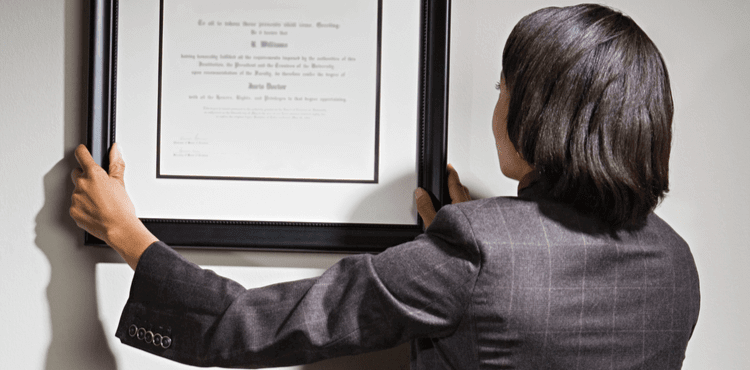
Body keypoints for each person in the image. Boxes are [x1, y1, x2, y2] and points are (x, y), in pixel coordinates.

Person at [70, 4, 699, 369]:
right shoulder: (676, 261)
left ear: (538, 112)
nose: (498, 106)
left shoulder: (478, 251)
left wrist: (125, 232)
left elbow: (254, 323)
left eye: (503, 89)